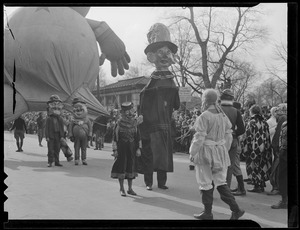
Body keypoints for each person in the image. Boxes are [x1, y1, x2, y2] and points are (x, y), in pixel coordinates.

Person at [189, 88, 245, 220]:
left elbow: (199, 137)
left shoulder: (204, 116)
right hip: (219, 151)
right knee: (221, 182)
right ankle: (236, 210)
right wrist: (222, 148)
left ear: (205, 100)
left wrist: (192, 152)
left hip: (206, 152)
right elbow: (229, 135)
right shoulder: (222, 115)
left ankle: (208, 213)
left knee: (205, 182)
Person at [138, 23, 180, 190]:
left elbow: (175, 104)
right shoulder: (151, 83)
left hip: (164, 126)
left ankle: (161, 182)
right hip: (151, 126)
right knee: (149, 155)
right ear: (152, 56)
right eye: (160, 52)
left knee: (163, 156)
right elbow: (143, 100)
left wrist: (177, 103)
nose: (164, 56)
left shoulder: (170, 80)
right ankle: (149, 182)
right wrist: (142, 118)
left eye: (167, 52)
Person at [111, 102, 142, 197]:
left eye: (130, 111)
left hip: (132, 148)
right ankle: (121, 188)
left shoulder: (134, 123)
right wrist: (115, 150)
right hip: (122, 148)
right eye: (127, 111)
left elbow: (138, 137)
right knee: (121, 167)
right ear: (123, 112)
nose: (129, 113)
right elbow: (115, 137)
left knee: (131, 167)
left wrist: (138, 148)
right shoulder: (119, 123)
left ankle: (130, 188)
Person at [220, 90, 246, 196]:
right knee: (229, 166)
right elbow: (242, 129)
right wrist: (234, 134)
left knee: (215, 164)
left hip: (218, 140)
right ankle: (226, 190)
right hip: (232, 141)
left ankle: (212, 188)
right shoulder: (236, 111)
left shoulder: (216, 110)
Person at [243, 104, 272, 193]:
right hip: (264, 148)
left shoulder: (251, 122)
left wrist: (245, 149)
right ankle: (261, 184)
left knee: (254, 166)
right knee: (262, 165)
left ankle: (257, 186)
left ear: (251, 111)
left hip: (253, 148)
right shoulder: (264, 122)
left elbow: (247, 137)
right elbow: (267, 136)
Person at [68, 97, 92, 166]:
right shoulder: (73, 120)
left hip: (85, 136)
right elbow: (70, 127)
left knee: (84, 148)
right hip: (76, 137)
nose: (78, 109)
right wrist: (71, 135)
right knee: (76, 148)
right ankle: (76, 159)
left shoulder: (87, 120)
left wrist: (90, 135)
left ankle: (84, 159)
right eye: (76, 107)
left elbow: (90, 127)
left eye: (80, 107)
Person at [45, 95, 65, 167]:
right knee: (50, 149)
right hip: (51, 135)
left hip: (58, 135)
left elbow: (62, 128)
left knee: (57, 149)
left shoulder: (60, 119)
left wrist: (62, 136)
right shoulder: (49, 119)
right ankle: (50, 162)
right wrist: (47, 136)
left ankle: (57, 161)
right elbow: (46, 128)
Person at [271, 120, 287, 209]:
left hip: (285, 151)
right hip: (284, 151)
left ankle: (284, 201)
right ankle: (284, 200)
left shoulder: (285, 123)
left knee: (282, 177)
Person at [266, 106, 279, 195]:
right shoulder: (269, 121)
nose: (277, 113)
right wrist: (275, 128)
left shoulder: (280, 119)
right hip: (273, 144)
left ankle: (276, 186)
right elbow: (268, 132)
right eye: (275, 111)